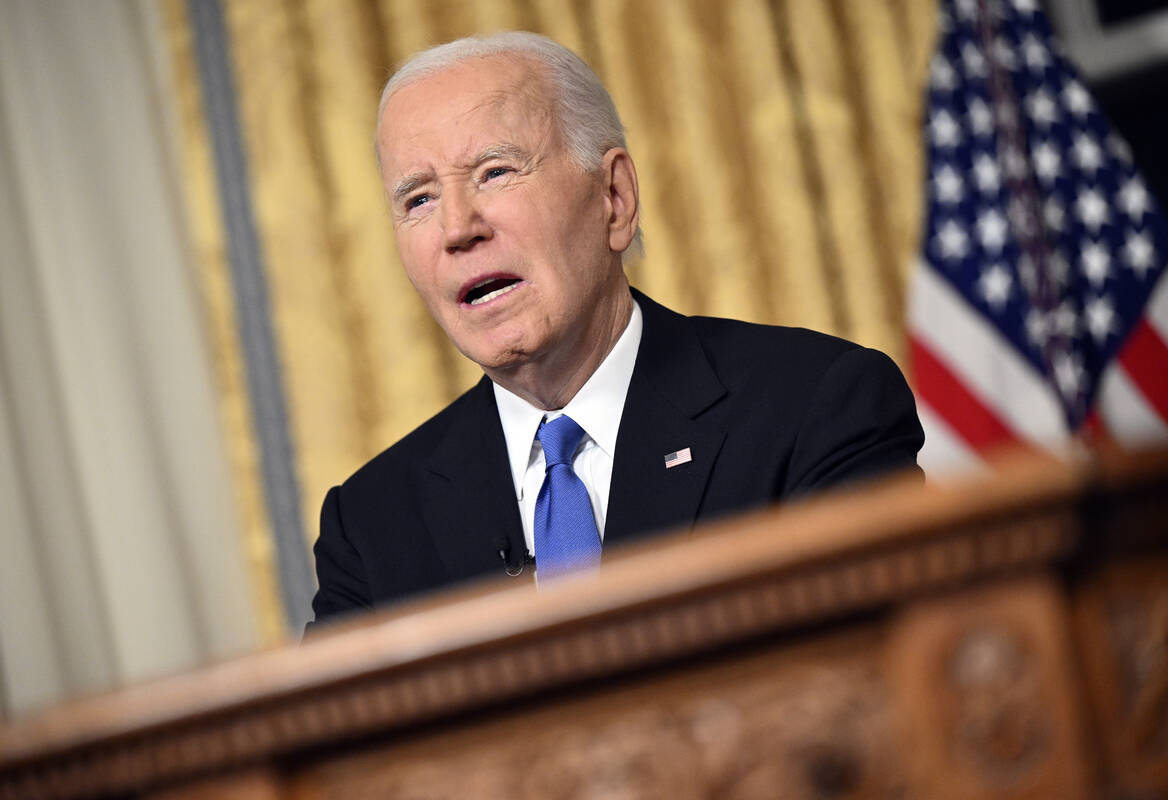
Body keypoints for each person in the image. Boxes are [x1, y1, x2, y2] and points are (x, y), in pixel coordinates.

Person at [309, 31, 923, 624]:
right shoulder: (368, 527)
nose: (456, 228)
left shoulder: (817, 407)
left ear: (614, 197)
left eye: (495, 172)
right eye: (418, 199)